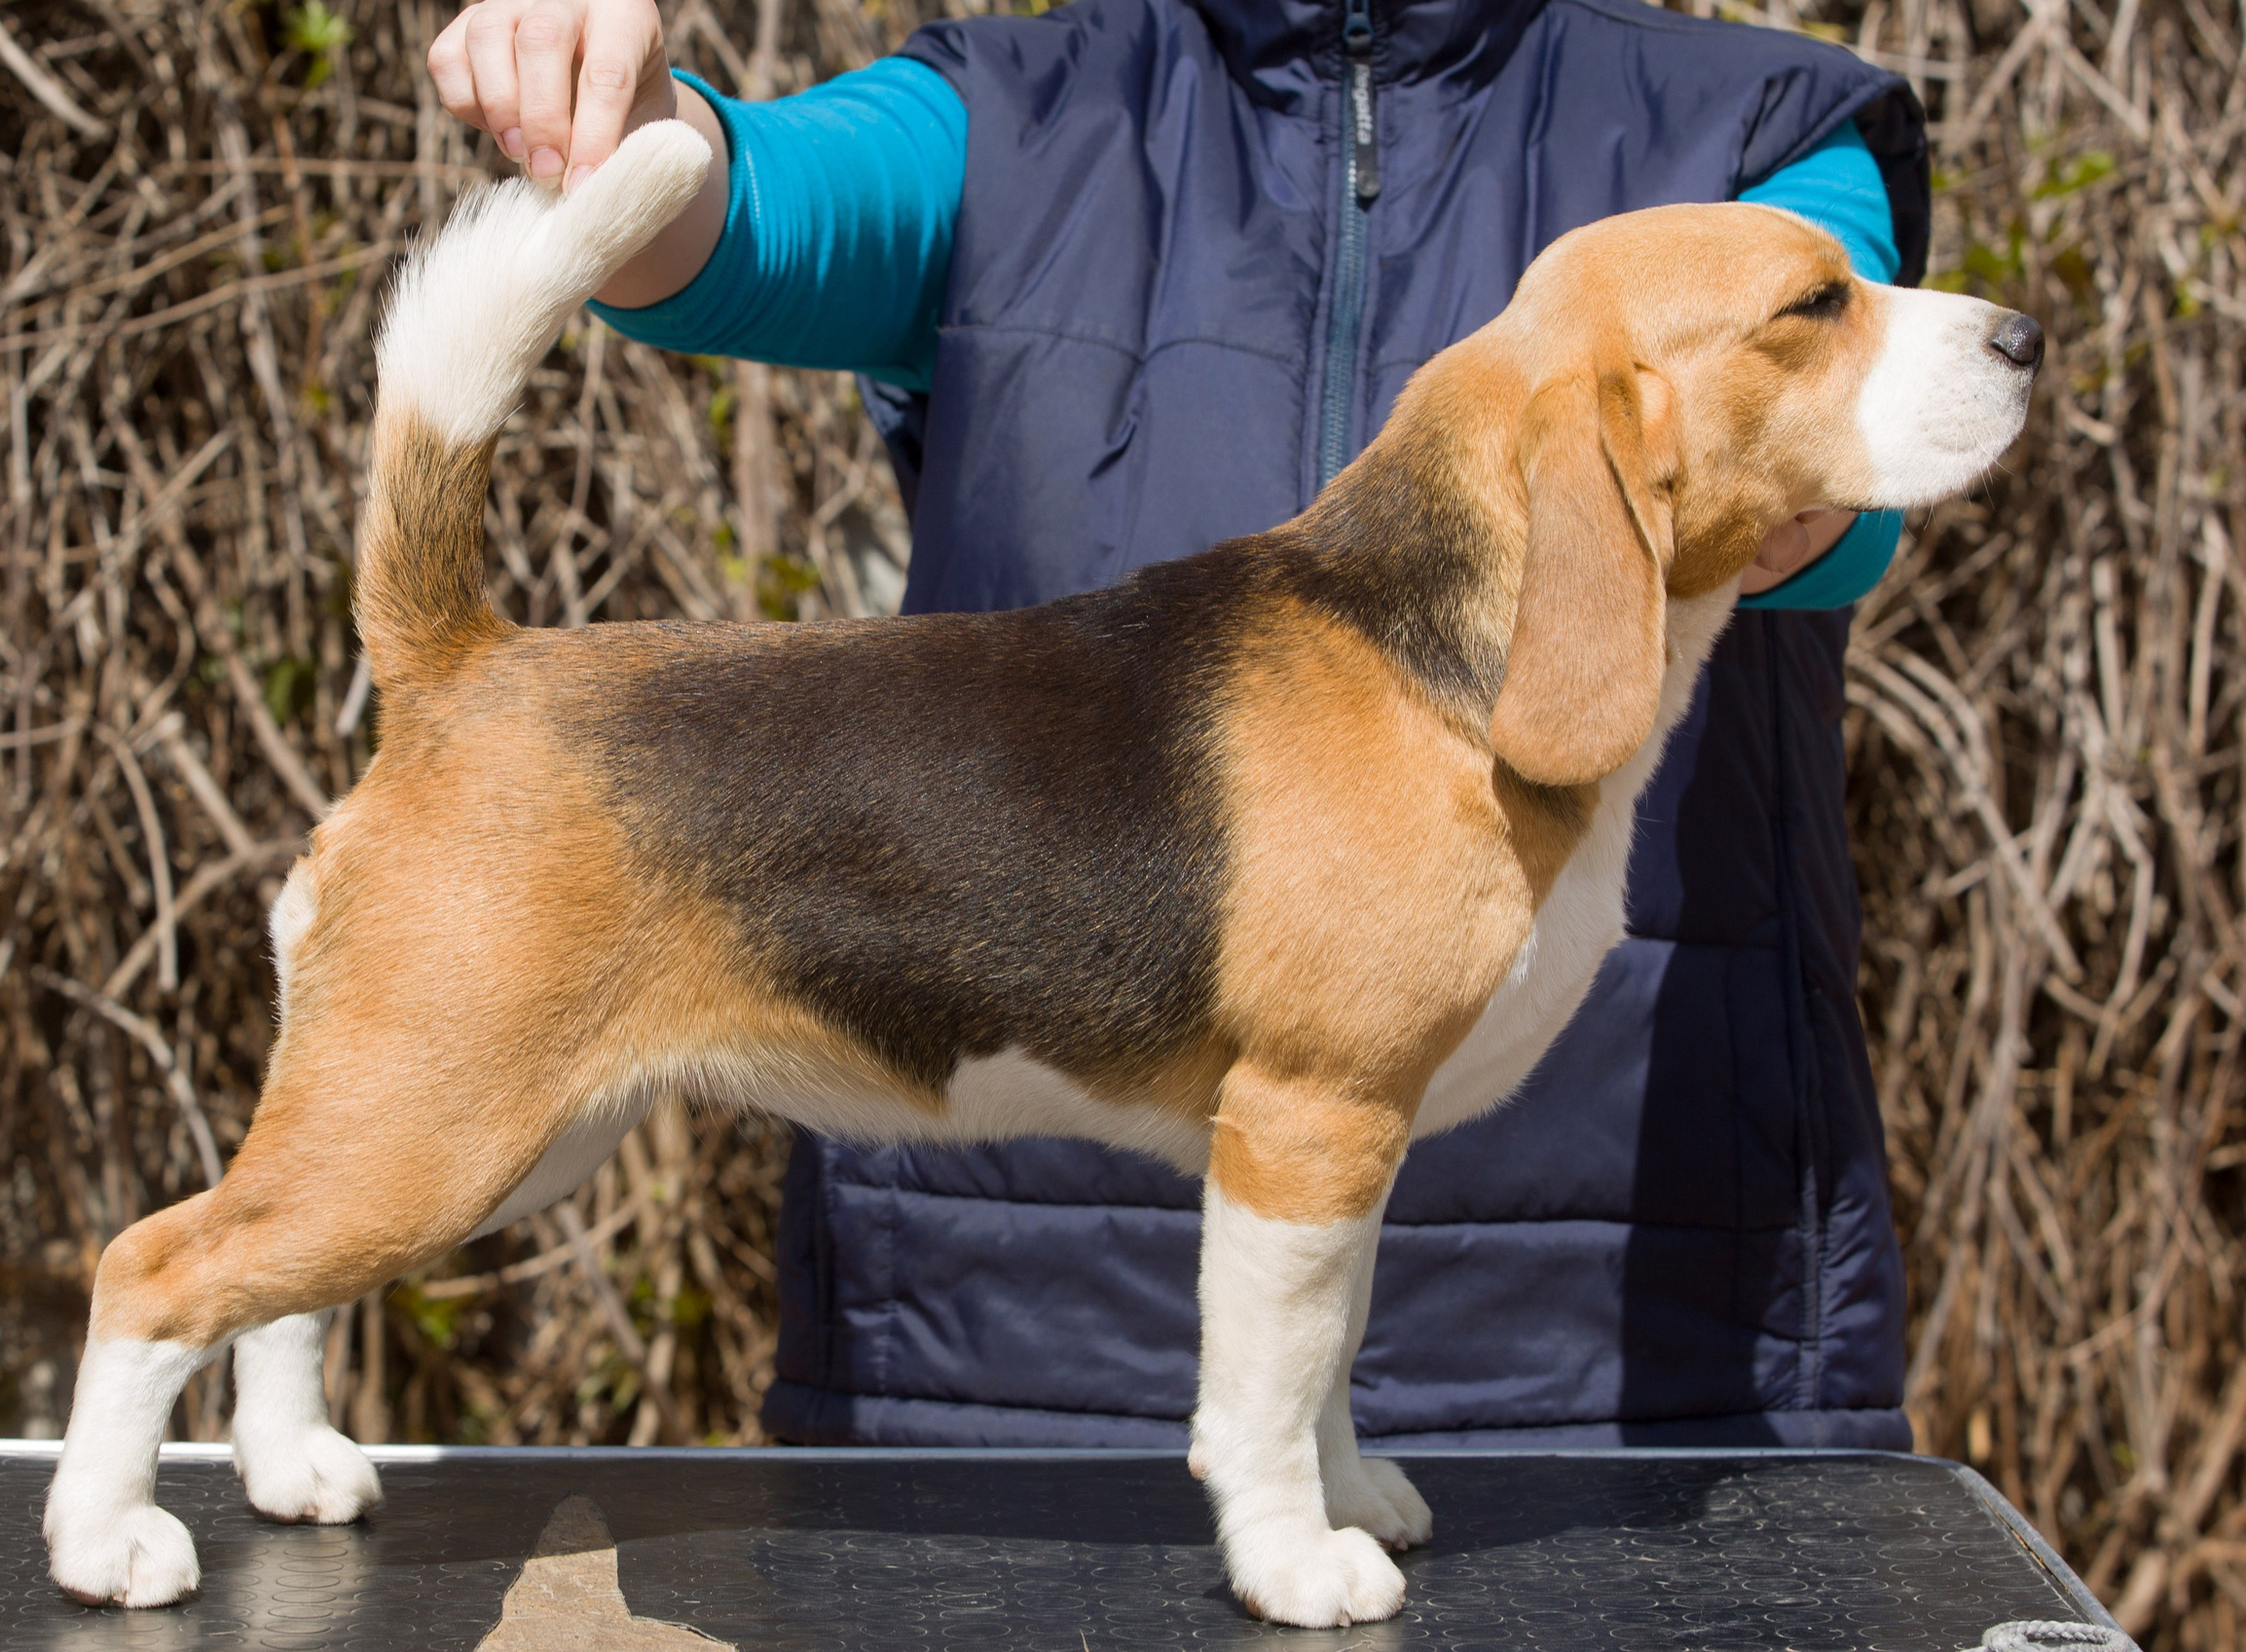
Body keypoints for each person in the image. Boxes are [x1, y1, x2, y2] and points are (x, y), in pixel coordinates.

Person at [429, 0, 1927, 1451]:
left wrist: (1737, 466)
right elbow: (749, 220)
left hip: (1644, 1334)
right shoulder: (1010, 109)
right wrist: (628, 134)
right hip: (992, 1346)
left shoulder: (1761, 127)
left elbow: (1852, 466)